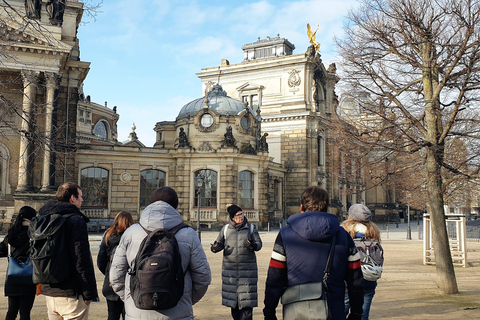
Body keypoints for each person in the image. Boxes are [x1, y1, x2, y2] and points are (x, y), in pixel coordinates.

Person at [263, 186, 364, 320]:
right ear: (326, 207)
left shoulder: (285, 235)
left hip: (296, 309)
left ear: (302, 207)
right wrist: (356, 312)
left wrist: (269, 312)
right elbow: (355, 280)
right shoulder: (344, 236)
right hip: (332, 309)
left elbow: (275, 278)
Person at [110, 186, 211, 319]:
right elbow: (203, 277)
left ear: (149, 205)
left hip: (137, 312)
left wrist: (131, 298)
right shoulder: (188, 234)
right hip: (178, 312)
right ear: (175, 206)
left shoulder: (131, 232)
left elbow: (115, 276)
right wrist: (184, 299)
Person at [38, 182, 99, 320]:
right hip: (71, 293)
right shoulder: (75, 220)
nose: (82, 200)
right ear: (72, 198)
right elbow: (81, 260)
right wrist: (89, 292)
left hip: (49, 290)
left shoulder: (44, 218)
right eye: (80, 196)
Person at [210, 204, 263, 320]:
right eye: (238, 215)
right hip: (231, 274)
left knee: (246, 308)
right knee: (234, 307)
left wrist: (253, 245)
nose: (241, 216)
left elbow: (259, 244)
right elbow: (216, 244)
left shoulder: (251, 228)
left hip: (247, 274)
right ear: (232, 217)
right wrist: (215, 248)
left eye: (242, 214)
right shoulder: (225, 230)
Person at [342, 204, 383, 320]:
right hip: (369, 278)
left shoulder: (344, 231)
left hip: (349, 280)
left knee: (341, 313)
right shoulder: (373, 232)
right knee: (363, 315)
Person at [0, 206, 37, 320]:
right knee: (25, 314)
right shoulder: (33, 236)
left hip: (13, 277)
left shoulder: (11, 236)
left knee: (11, 312)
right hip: (28, 278)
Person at [97, 211, 134, 320]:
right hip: (128, 284)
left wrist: (109, 273)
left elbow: (101, 261)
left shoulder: (108, 235)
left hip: (111, 284)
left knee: (112, 315)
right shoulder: (132, 237)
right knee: (128, 315)